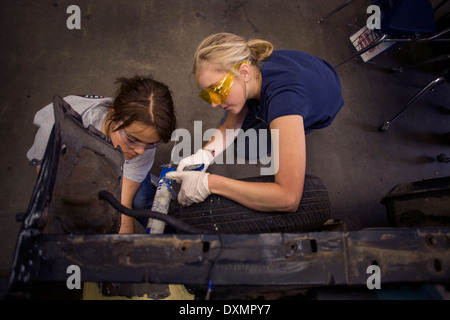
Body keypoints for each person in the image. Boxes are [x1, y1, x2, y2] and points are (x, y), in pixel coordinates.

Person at [167, 32, 344, 212]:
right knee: (238, 122)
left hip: (324, 98)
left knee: (251, 147)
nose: (213, 103)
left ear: (244, 72)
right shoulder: (251, 67)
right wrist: (204, 155)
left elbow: (288, 198)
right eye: (207, 94)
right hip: (311, 70)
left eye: (217, 89)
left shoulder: (284, 105)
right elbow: (229, 126)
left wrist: (209, 184)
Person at [26, 76, 177, 233]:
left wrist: (125, 251)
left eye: (152, 144)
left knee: (140, 201)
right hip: (71, 157)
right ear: (112, 115)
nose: (140, 151)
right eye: (133, 139)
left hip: (116, 160)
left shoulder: (143, 139)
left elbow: (122, 207)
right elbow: (48, 193)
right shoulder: (57, 131)